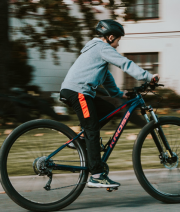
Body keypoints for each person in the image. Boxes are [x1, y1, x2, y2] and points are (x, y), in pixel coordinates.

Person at [59, 19, 158, 189]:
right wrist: (148, 77)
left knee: (111, 108)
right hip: (78, 92)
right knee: (92, 129)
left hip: (79, 92)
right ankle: (97, 175)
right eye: (118, 40)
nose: (118, 45)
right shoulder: (102, 47)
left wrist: (119, 95)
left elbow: (106, 78)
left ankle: (81, 139)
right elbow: (124, 63)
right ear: (111, 37)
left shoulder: (96, 50)